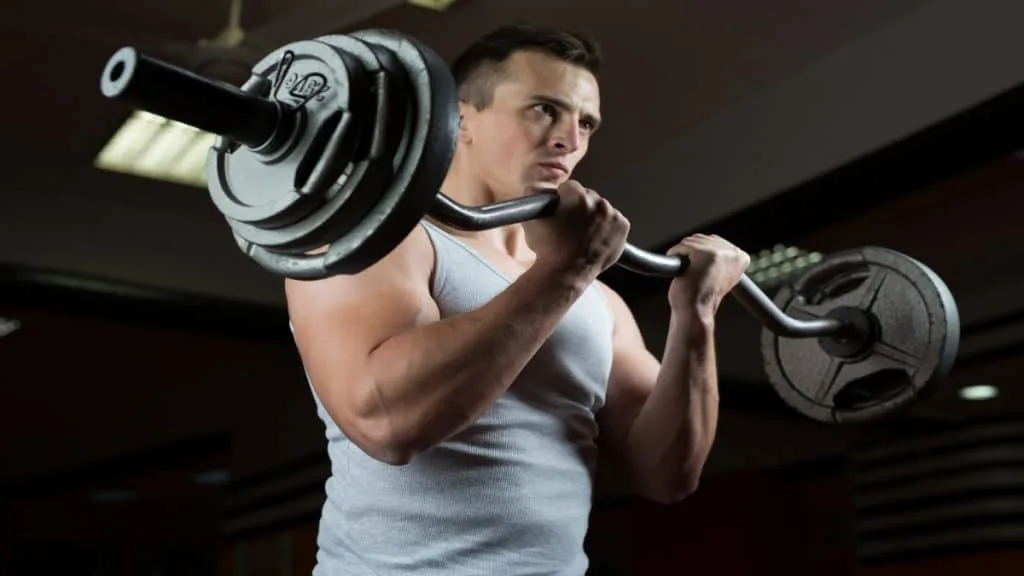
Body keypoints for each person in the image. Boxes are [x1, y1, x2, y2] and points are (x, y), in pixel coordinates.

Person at [285, 23, 750, 576]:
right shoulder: (376, 239)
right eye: (543, 110)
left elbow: (669, 475)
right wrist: (565, 272)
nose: (569, 140)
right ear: (459, 120)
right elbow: (386, 423)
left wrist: (696, 313)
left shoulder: (599, 302)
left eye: (586, 122)